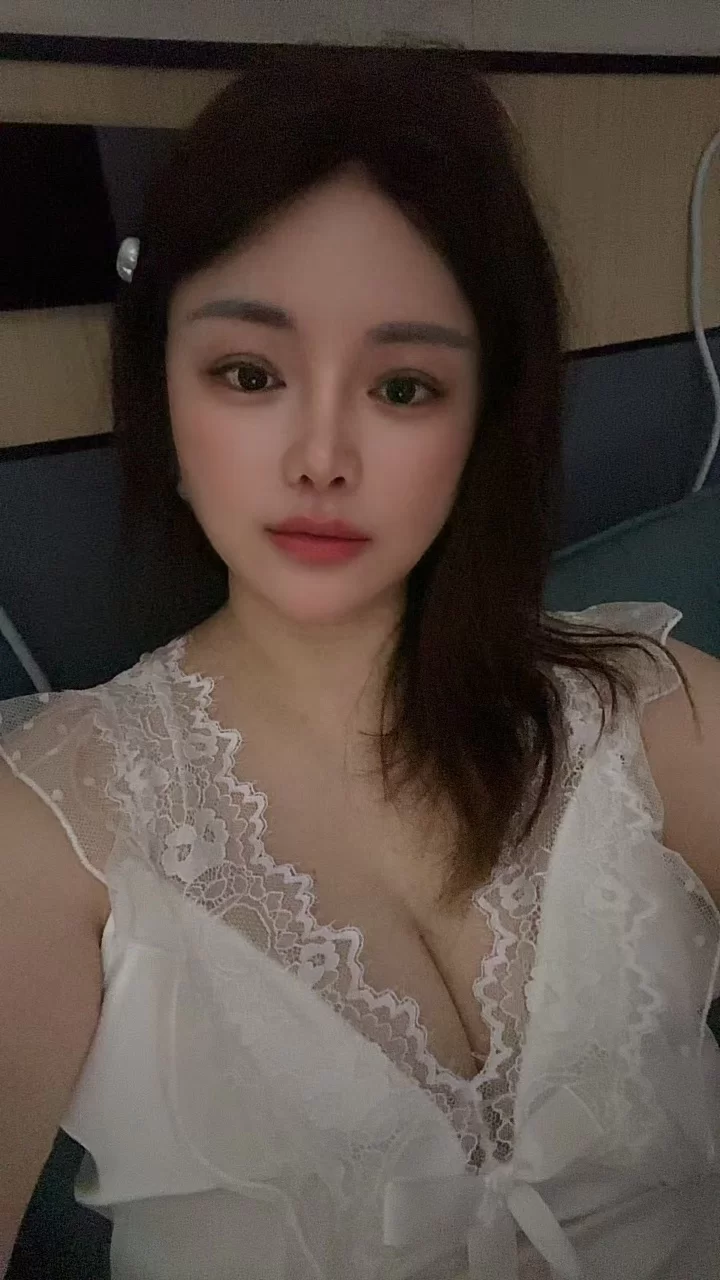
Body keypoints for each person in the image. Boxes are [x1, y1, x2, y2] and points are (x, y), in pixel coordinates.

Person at [1, 46, 719, 1280]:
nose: (321, 455)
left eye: (402, 384)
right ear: (161, 392)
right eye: (249, 373)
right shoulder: (50, 832)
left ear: (483, 419)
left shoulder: (656, 712)